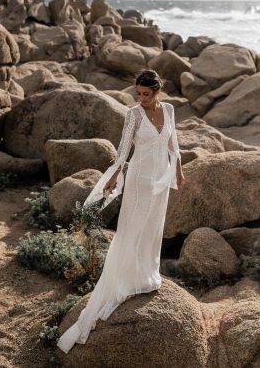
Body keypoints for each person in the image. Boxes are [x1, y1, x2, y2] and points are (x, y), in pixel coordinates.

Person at [57, 69, 185, 354]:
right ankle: (123, 279)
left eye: (146, 94)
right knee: (131, 228)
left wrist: (178, 169)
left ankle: (145, 275)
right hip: (139, 179)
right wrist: (114, 175)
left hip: (160, 179)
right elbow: (124, 149)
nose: (141, 99)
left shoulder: (169, 109)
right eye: (137, 94)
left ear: (157, 92)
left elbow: (173, 142)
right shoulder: (133, 115)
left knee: (153, 226)